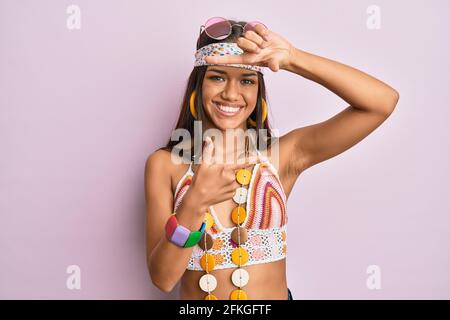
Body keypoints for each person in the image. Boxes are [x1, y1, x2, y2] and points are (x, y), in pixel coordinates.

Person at [144, 17, 399, 300]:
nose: (231, 94)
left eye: (247, 80)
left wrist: (293, 59)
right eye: (217, 77)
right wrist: (195, 201)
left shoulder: (283, 156)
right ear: (198, 86)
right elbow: (163, 279)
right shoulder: (165, 165)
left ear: (259, 91)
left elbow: (381, 103)